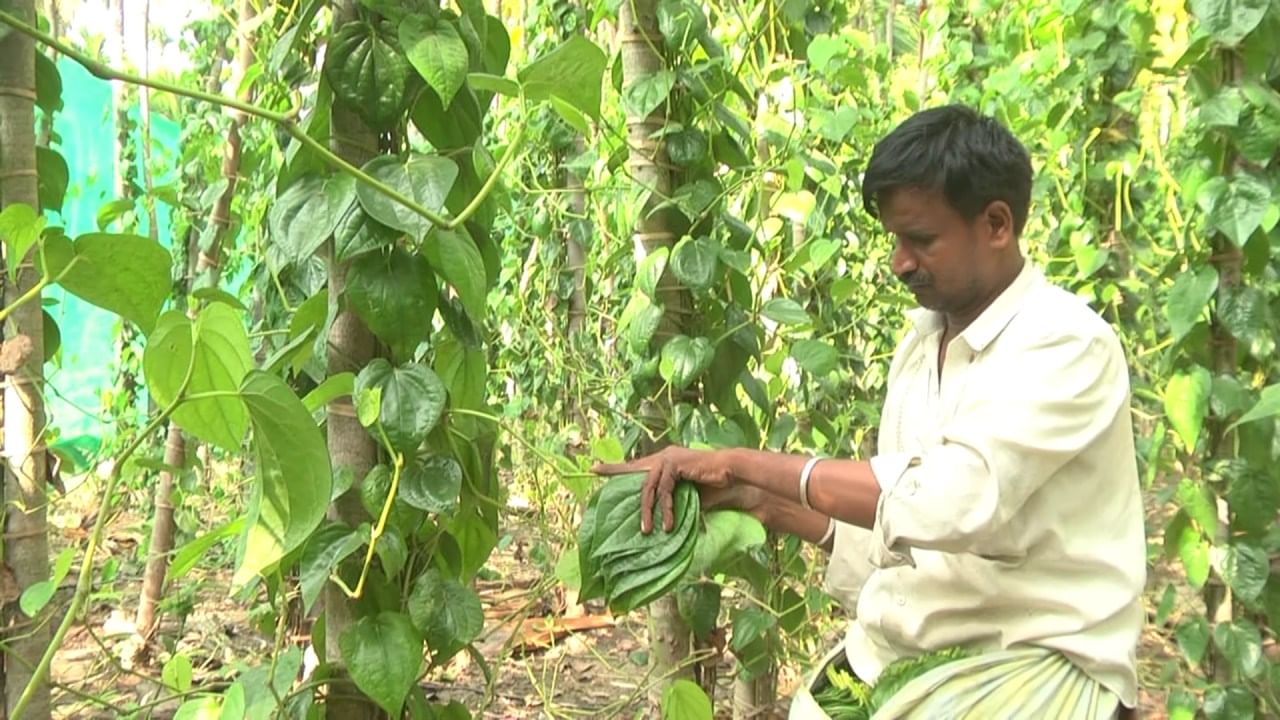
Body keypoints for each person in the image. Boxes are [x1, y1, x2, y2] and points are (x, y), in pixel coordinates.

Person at [593, 105, 1146, 719]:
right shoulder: (922, 345)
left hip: (1026, 661)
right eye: (895, 241)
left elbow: (944, 504)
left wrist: (741, 461)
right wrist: (763, 502)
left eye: (922, 240)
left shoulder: (1065, 343)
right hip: (909, 651)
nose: (900, 262)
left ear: (996, 224)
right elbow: (902, 537)